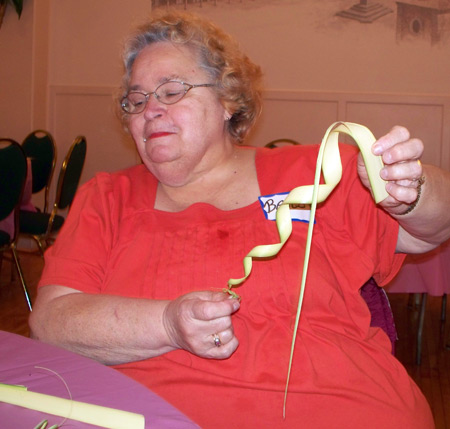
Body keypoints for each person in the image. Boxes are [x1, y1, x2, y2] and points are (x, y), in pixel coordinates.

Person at [29, 10, 450, 428]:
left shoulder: (317, 171)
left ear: (228, 99)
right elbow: (51, 321)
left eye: (171, 91)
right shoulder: (109, 199)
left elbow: (434, 229)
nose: (150, 109)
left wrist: (412, 190)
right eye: (136, 101)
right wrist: (167, 324)